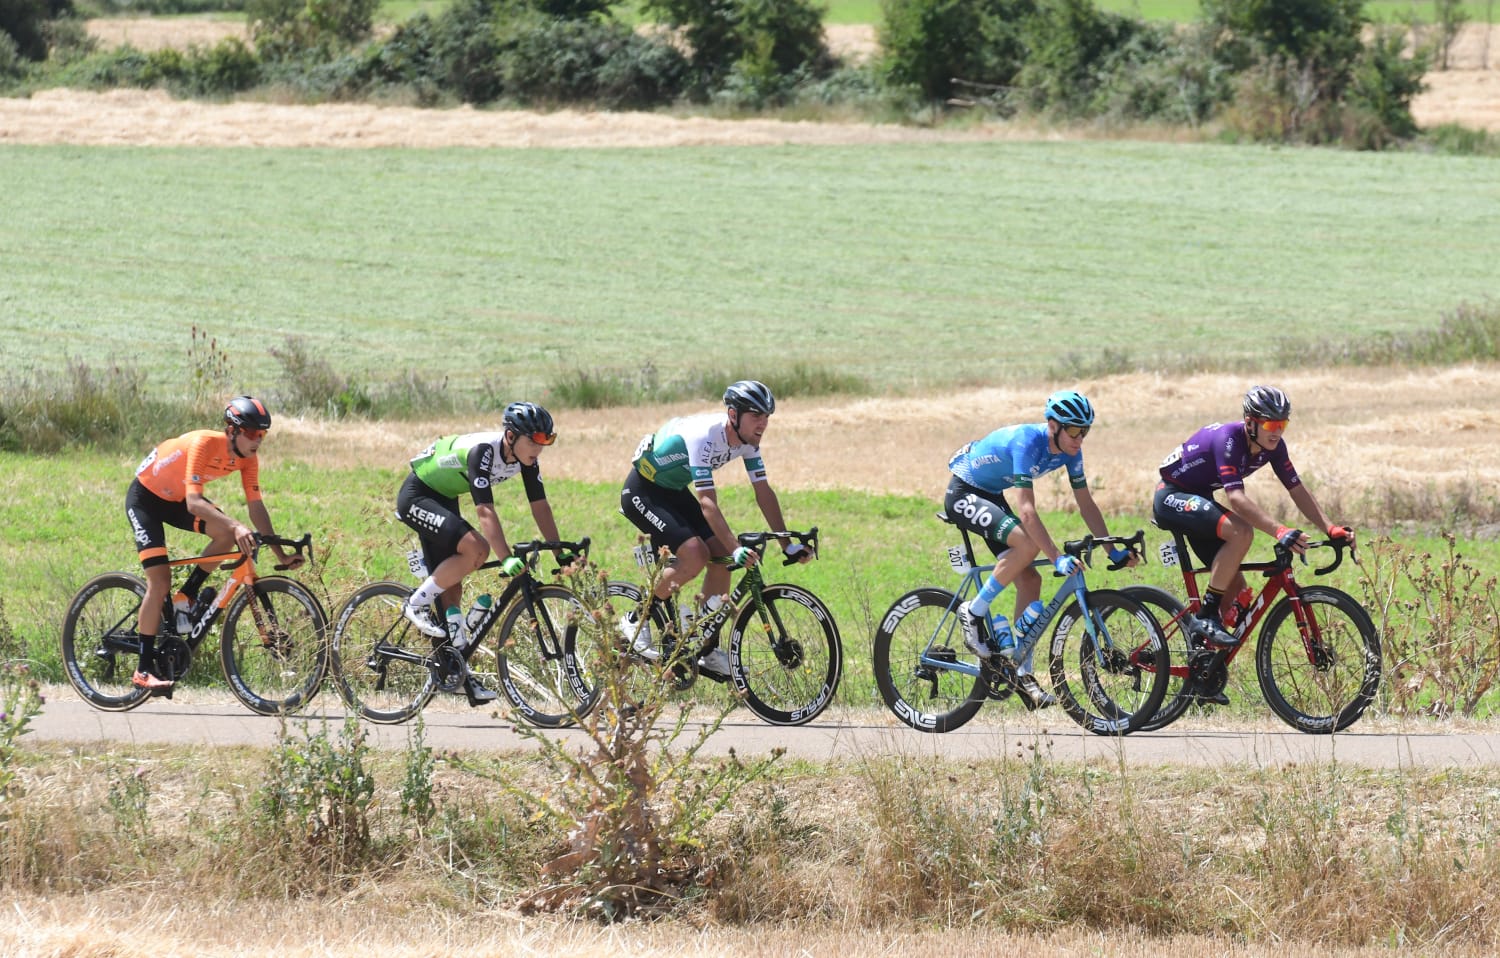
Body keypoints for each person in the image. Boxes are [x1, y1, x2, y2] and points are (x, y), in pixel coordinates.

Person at [1153, 384, 1352, 705]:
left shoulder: (1274, 447)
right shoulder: (1228, 440)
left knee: (1239, 600)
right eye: (1271, 425)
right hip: (1172, 496)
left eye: (1283, 424)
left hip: (1199, 499)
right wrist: (1279, 530)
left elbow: (1296, 488)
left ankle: (1202, 676)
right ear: (1251, 422)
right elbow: (1235, 497)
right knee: (1242, 532)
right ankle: (1204, 614)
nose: (1277, 432)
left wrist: (1329, 527)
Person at [947, 390, 1137, 710]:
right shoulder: (1027, 442)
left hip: (990, 494)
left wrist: (1111, 550)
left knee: (1032, 580)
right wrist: (1057, 557)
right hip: (964, 491)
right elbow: (1027, 512)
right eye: (1074, 430)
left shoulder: (1071, 452)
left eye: (1085, 431)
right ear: (1053, 425)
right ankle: (973, 610)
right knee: (1027, 543)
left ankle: (1021, 672)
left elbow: (1085, 503)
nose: (1080, 439)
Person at [618, 380, 812, 681]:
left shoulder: (748, 442)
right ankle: (635, 618)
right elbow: (707, 503)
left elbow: (763, 491)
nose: (763, 423)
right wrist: (737, 547)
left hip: (672, 490)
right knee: (696, 554)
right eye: (756, 415)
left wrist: (787, 545)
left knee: (721, 557)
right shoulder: (705, 437)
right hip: (643, 492)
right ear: (733, 415)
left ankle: (703, 645)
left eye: (767, 417)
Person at [125, 396, 305, 693]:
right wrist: (235, 525)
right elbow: (195, 503)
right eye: (250, 433)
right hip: (146, 499)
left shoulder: (249, 459)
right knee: (159, 581)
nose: (256, 440)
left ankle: (187, 596)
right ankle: (143, 670)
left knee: (225, 534)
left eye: (262, 434)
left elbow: (256, 506)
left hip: (176, 500)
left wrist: (281, 554)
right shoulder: (203, 444)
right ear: (231, 431)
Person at [396, 402, 567, 706]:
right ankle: (415, 603)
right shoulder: (483, 451)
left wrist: (558, 551)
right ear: (511, 436)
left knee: (453, 589)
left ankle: (454, 670)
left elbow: (539, 505)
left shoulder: (526, 459)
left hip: (445, 497)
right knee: (477, 549)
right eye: (534, 441)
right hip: (418, 496)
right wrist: (505, 557)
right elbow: (485, 510)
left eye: (545, 442)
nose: (539, 449)